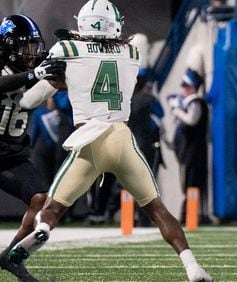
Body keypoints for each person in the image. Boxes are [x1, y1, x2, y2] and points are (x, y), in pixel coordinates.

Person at [8, 1, 212, 281]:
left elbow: (31, 99)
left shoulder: (66, 50)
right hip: (120, 137)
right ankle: (192, 267)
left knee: (52, 208)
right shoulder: (131, 52)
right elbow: (103, 66)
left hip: (88, 139)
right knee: (156, 209)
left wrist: (56, 77)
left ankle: (42, 230)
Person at [0, 14, 66, 281]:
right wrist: (34, 74)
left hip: (13, 154)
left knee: (40, 200)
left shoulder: (38, 66)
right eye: (26, 47)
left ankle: (10, 255)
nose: (32, 53)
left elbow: (64, 81)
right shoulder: (28, 70)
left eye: (34, 47)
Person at [168, 68, 210, 224]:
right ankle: (188, 216)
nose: (183, 89)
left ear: (193, 87)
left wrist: (177, 110)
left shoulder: (196, 102)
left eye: (186, 86)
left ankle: (190, 217)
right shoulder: (189, 102)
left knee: (192, 184)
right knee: (188, 185)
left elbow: (192, 120)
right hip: (189, 152)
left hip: (195, 152)